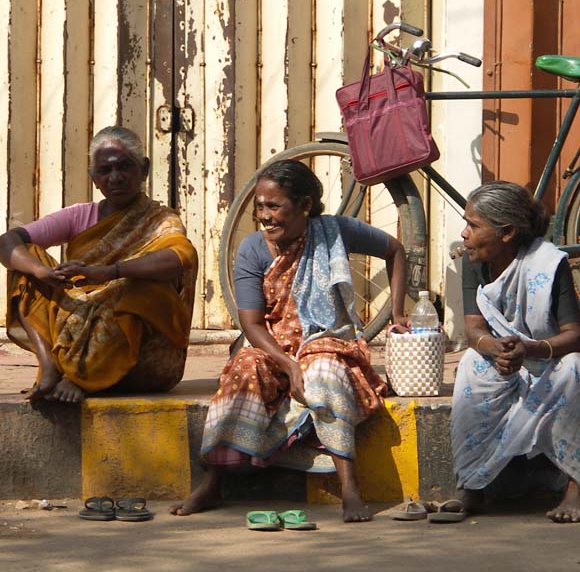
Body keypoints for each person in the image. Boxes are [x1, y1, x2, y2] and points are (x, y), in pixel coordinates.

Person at [171, 159, 408, 522]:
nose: (264, 216)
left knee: (326, 373)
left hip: (327, 340)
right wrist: (287, 363)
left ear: (305, 206)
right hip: (273, 345)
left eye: (274, 206)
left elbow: (395, 251)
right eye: (260, 207)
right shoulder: (252, 249)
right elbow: (251, 323)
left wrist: (397, 312)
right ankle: (212, 483)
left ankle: (349, 488)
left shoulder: (335, 232)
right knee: (243, 368)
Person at [452, 181, 580, 523]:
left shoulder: (549, 264)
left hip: (560, 353)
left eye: (474, 225)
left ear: (507, 232)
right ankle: (472, 486)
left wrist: (529, 348)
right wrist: (493, 347)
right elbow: (473, 328)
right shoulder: (473, 258)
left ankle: (577, 490)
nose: (465, 233)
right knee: (470, 365)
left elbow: (574, 338)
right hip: (514, 355)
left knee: (571, 368)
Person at [0, 126, 198, 404]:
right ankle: (51, 368)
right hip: (76, 318)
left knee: (140, 289)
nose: (115, 177)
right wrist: (43, 272)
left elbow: (181, 257)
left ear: (144, 169)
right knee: (25, 261)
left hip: (137, 358)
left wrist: (109, 273)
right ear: (94, 177)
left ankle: (83, 376)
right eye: (105, 170)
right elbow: (7, 243)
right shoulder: (81, 215)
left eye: (125, 166)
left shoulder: (161, 221)